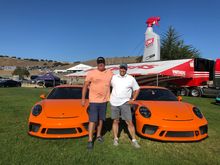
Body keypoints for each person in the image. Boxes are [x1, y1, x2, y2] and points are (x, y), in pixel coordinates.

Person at [81, 57, 113, 150]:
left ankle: (98, 136)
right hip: (94, 101)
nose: (101, 64)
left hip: (104, 101)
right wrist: (83, 99)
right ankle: (90, 140)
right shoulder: (91, 73)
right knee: (92, 121)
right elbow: (85, 86)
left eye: (102, 62)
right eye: (99, 62)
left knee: (101, 120)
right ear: (97, 64)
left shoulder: (109, 73)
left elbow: (117, 80)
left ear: (104, 63)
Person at [110, 63, 140, 148]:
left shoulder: (131, 78)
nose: (122, 70)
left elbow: (137, 89)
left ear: (126, 69)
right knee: (116, 121)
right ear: (119, 69)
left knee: (129, 122)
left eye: (124, 69)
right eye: (121, 68)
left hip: (125, 103)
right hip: (114, 102)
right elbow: (106, 85)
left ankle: (134, 140)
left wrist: (133, 99)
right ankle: (115, 139)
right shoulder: (113, 77)